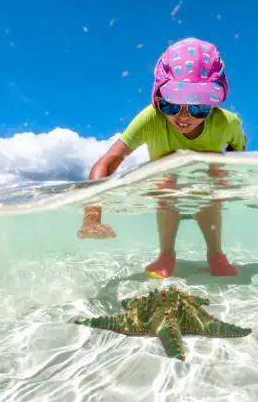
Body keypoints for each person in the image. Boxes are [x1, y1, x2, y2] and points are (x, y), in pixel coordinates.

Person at [77, 37, 247, 279]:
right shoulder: (151, 119)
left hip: (206, 186)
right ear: (158, 98)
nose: (183, 117)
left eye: (198, 107)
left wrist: (230, 180)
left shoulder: (227, 123)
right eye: (171, 105)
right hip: (166, 188)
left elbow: (238, 152)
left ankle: (215, 254)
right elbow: (107, 162)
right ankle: (166, 254)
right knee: (166, 181)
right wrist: (92, 218)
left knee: (213, 177)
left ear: (213, 104)